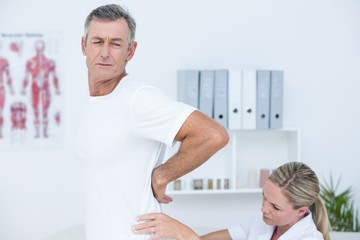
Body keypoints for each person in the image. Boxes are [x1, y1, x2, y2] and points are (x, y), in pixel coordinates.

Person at [76, 4, 229, 240]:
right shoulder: (95, 103)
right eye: (97, 42)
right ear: (84, 45)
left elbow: (213, 135)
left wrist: (163, 174)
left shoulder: (138, 99)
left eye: (116, 44)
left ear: (130, 51)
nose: (105, 52)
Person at [132, 162, 331, 240]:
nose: (263, 208)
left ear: (301, 211)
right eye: (264, 197)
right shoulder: (264, 222)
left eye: (275, 206)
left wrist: (184, 233)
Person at [21, 40, 61, 138]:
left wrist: (57, 88)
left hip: (45, 87)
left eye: (41, 48)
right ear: (35, 48)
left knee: (45, 110)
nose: (39, 50)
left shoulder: (49, 62)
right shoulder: (30, 62)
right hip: (34, 86)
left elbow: (54, 76)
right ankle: (37, 133)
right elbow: (26, 77)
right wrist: (23, 88)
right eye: (38, 48)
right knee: (35, 109)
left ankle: (45, 133)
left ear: (44, 48)